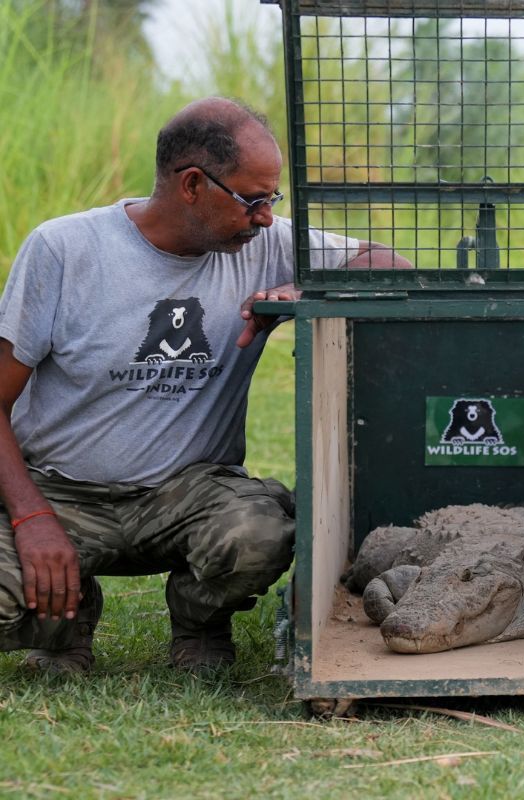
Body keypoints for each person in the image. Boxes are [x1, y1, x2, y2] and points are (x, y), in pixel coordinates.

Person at [0, 97, 407, 673]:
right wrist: (31, 519)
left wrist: (310, 293)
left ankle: (200, 625)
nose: (266, 216)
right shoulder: (64, 250)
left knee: (260, 533)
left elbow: (393, 263)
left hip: (188, 494)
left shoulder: (264, 244)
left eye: (274, 199)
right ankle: (64, 623)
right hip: (62, 492)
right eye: (253, 199)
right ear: (192, 184)